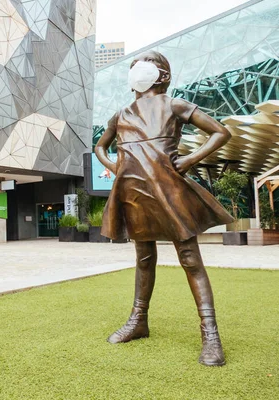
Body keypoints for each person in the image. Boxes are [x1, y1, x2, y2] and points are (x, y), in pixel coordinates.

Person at [94, 50, 233, 366]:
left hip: (168, 191)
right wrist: (116, 168)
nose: (137, 70)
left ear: (163, 75)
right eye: (133, 66)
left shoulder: (175, 105)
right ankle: (138, 321)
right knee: (144, 258)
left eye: (144, 65)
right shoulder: (121, 115)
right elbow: (100, 146)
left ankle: (210, 334)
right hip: (133, 194)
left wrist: (188, 160)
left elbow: (221, 132)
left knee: (189, 259)